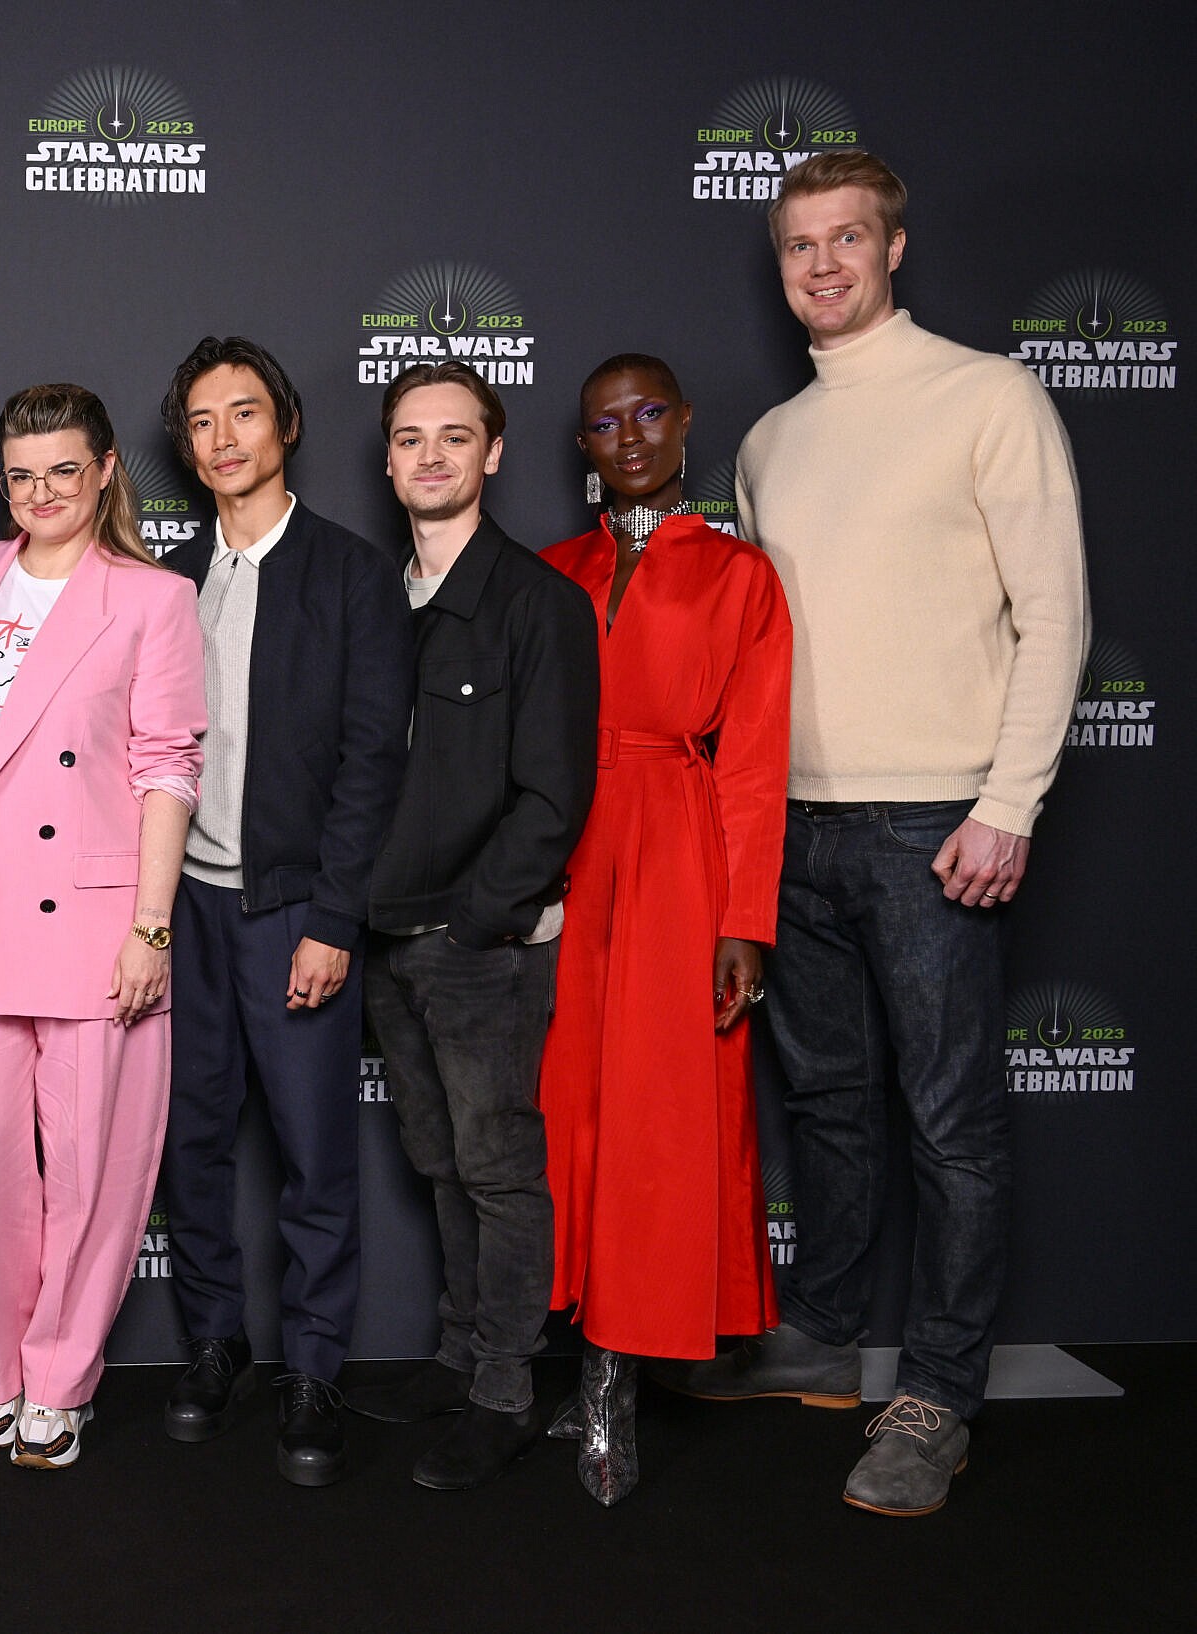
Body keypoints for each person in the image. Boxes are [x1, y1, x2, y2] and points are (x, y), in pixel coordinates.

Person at [669, 151, 1090, 1519]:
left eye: (851, 238)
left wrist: (1008, 801)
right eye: (800, 245)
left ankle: (940, 1393)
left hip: (933, 822)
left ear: (896, 247)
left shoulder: (988, 395)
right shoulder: (772, 440)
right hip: (791, 830)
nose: (825, 264)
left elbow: (1057, 615)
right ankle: (829, 1335)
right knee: (831, 1107)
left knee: (950, 1121)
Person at [0, 384, 205, 1472]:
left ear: (105, 471)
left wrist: (151, 925)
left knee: (92, 1167)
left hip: (93, 922)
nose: (41, 492)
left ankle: (61, 1375)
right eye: (21, 474)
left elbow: (168, 765)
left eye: (62, 472)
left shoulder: (151, 598)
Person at [153, 336, 412, 1486]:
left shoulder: (352, 572)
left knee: (313, 1153)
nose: (222, 440)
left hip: (290, 906)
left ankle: (312, 1366)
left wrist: (333, 918)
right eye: (202, 422)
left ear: (287, 424)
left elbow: (371, 764)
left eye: (242, 414)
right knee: (191, 1142)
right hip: (184, 910)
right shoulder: (163, 576)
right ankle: (215, 1343)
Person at [534, 354, 792, 1505]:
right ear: (581, 444)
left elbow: (754, 759)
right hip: (563, 850)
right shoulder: (552, 568)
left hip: (679, 844)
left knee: (659, 1113)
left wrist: (743, 920)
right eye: (603, 422)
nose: (627, 434)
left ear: (684, 426)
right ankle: (557, 1348)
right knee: (562, 1103)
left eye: (647, 414)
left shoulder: (739, 573)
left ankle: (614, 1378)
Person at [343, 360, 599, 1492]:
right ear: (387, 459)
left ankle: (505, 1387)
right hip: (385, 933)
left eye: (455, 436)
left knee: (497, 1165)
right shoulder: (372, 599)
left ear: (493, 453)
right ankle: (457, 1355)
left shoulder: (536, 600)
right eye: (410, 438)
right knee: (437, 1157)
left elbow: (553, 793)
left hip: (476, 944)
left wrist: (481, 920)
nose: (431, 456)